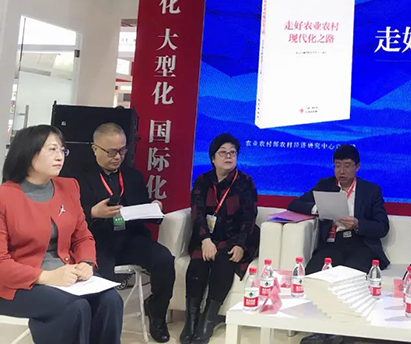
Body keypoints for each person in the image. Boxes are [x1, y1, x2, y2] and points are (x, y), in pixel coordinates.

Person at [0, 125, 123, 344]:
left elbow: (82, 236)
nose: (60, 156)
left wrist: (86, 262)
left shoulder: (69, 187)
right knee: (74, 308)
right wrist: (45, 277)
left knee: (111, 300)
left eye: (62, 150)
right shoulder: (5, 197)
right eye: (52, 150)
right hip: (15, 284)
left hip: (66, 276)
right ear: (29, 153)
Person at [74, 123, 175, 343]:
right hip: (96, 240)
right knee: (103, 284)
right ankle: (100, 331)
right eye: (111, 152)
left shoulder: (133, 176)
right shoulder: (77, 177)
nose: (118, 157)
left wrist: (154, 208)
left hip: (130, 238)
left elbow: (142, 209)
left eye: (122, 150)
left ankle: (156, 313)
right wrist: (93, 213)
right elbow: (68, 214)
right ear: (95, 149)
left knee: (164, 259)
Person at [181, 133, 260, 344]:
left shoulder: (245, 182)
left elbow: (249, 217)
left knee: (223, 264)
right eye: (223, 153)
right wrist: (205, 240)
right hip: (207, 237)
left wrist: (241, 244)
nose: (228, 157)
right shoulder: (202, 181)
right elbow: (197, 214)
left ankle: (207, 322)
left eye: (233, 153)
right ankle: (191, 321)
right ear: (212, 158)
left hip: (234, 238)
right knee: (197, 265)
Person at [288, 144, 390, 274]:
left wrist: (358, 224)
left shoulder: (370, 191)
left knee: (350, 275)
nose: (342, 171)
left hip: (360, 244)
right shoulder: (325, 185)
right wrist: (318, 209)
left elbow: (382, 227)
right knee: (312, 273)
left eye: (347, 166)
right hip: (332, 243)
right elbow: (294, 204)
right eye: (337, 166)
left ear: (357, 167)